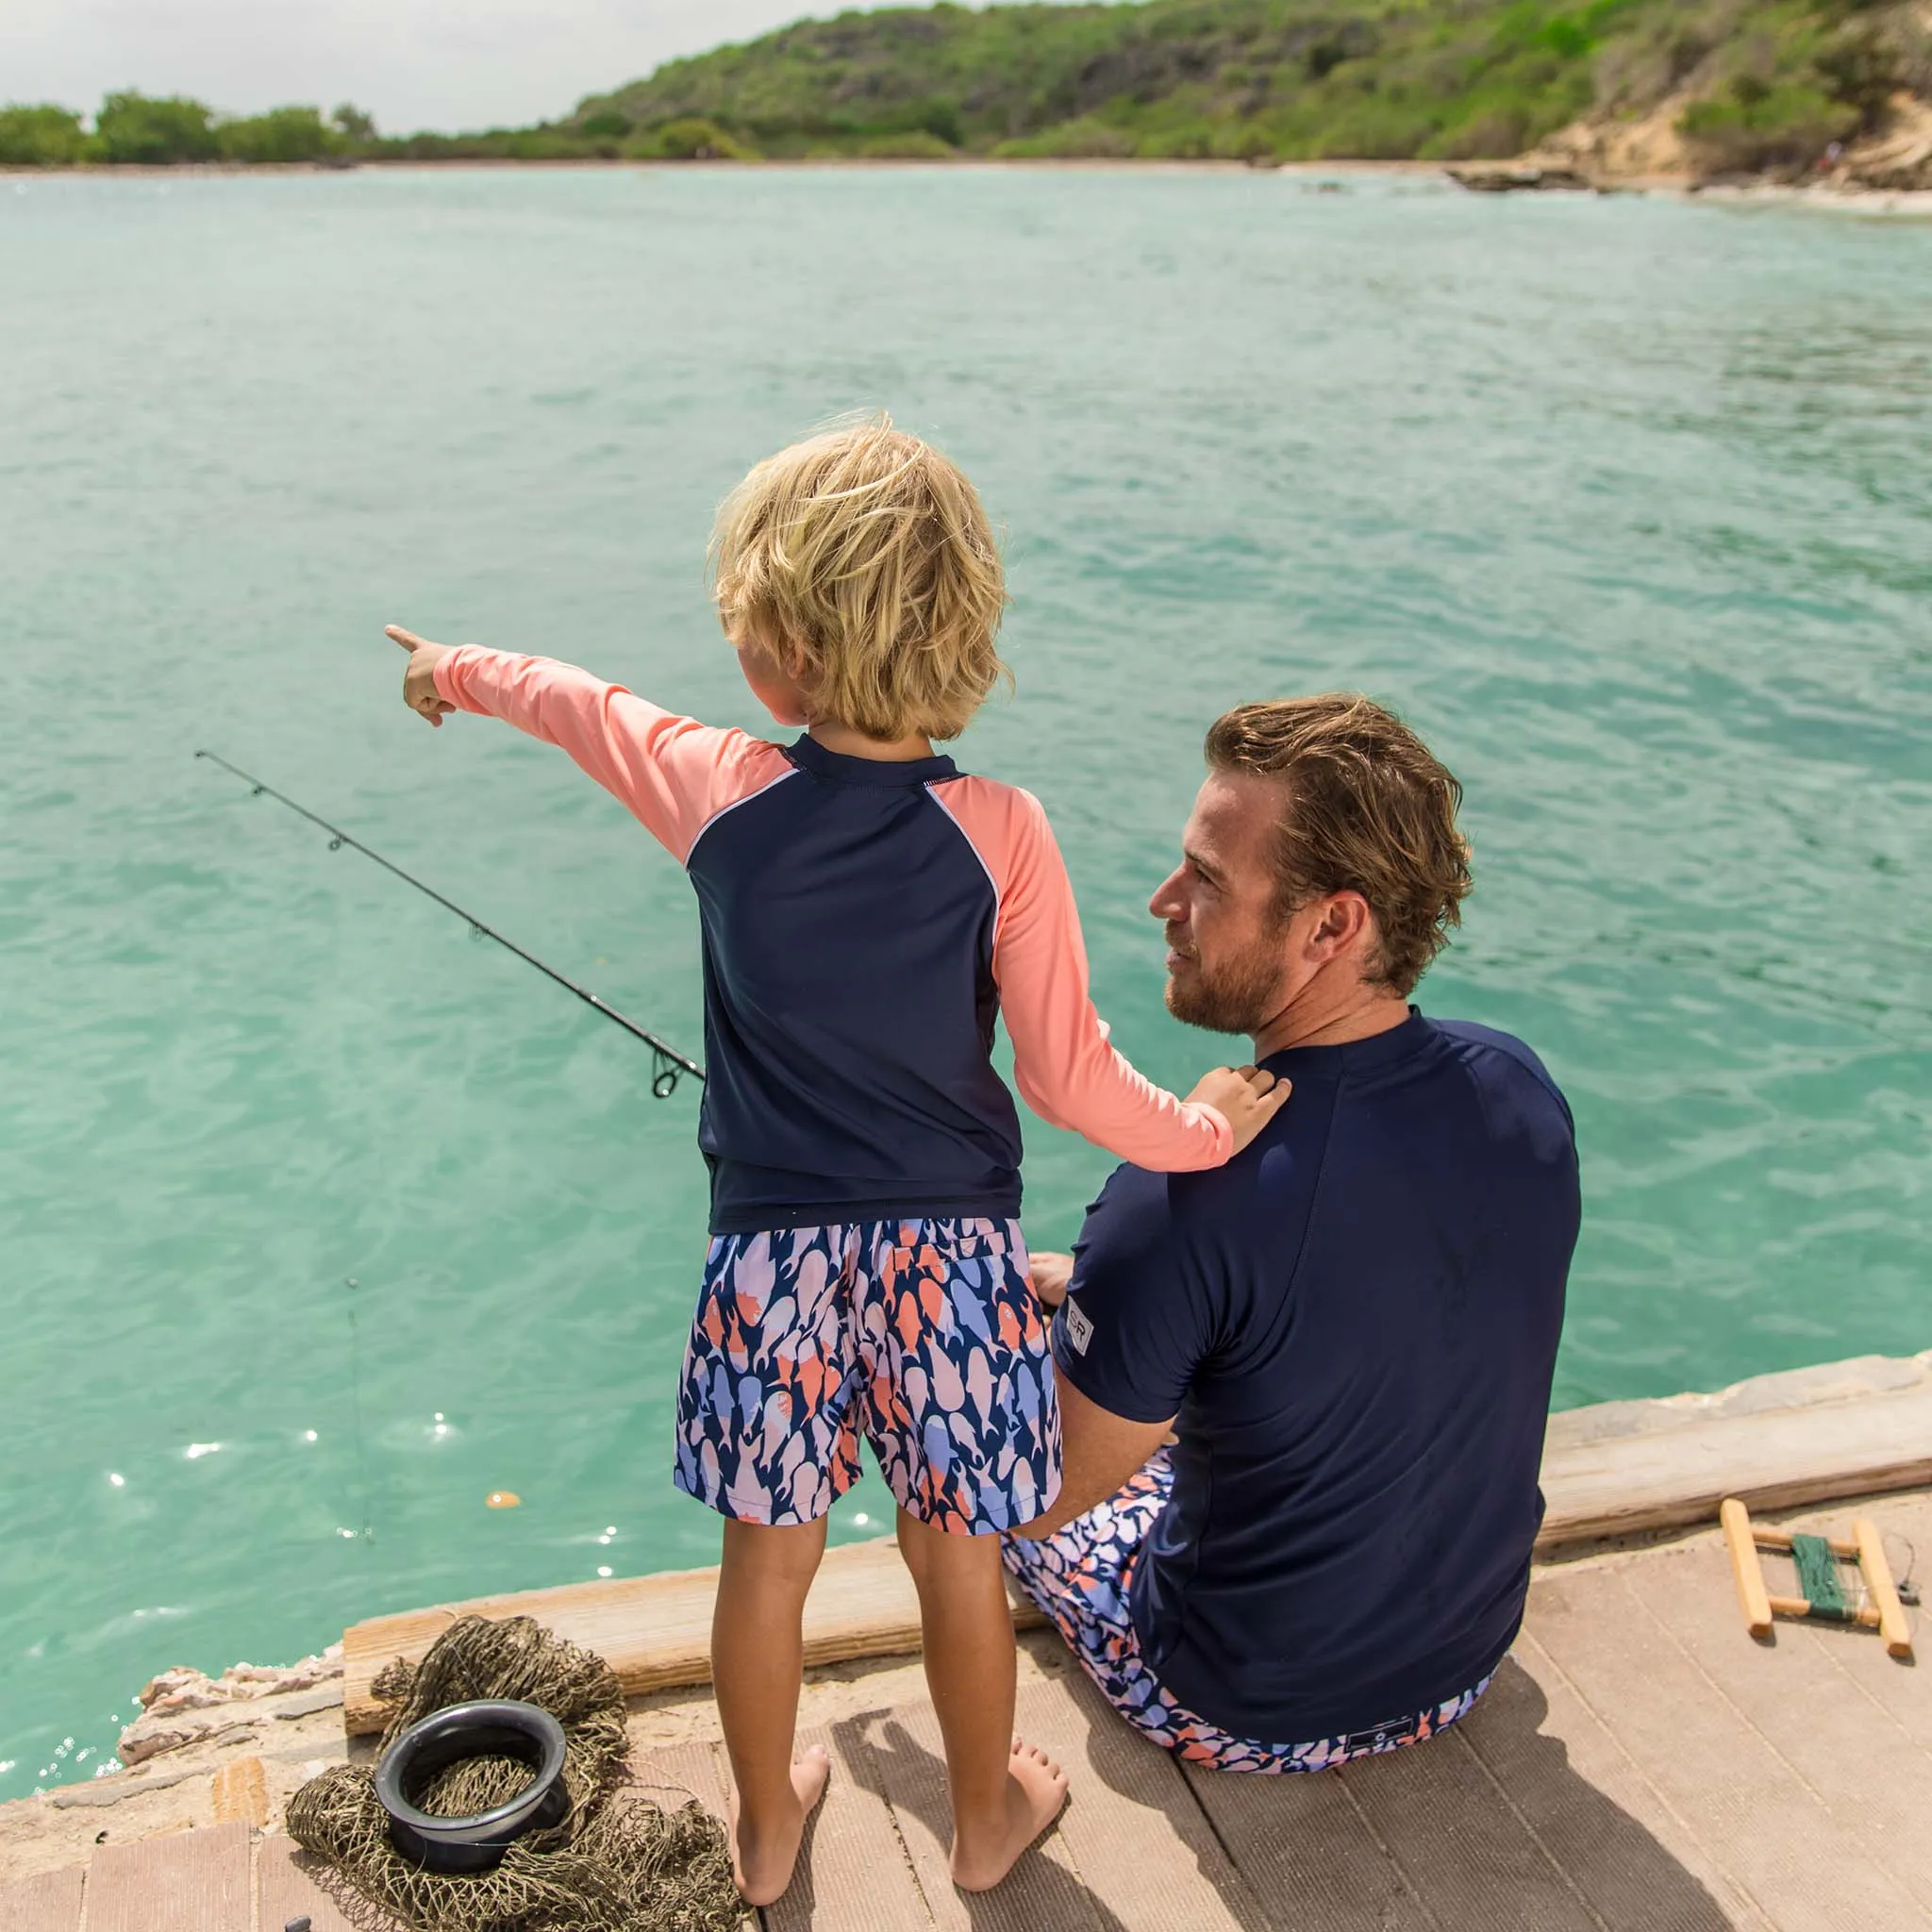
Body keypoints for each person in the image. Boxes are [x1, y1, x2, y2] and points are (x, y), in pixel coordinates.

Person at [384, 419, 1288, 1902]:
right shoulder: (1003, 830)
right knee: (956, 1556)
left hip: (771, 1257)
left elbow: (573, 703)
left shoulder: (717, 784)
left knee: (771, 1559)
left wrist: (448, 670)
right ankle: (988, 1814)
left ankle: (762, 1826)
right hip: (952, 1258)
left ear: (774, 652)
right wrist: (1205, 1131)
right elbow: (1067, 1077)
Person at [1006, 694, 1580, 1774]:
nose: (1160, 900)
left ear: (1330, 926)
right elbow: (1352, 1306)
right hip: (1462, 1660)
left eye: (1207, 879)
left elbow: (1034, 1494)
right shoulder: (1521, 1089)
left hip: (1244, 1705)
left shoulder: (1177, 1189)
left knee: (970, 1464)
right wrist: (1113, 1291)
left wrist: (980, 1329)